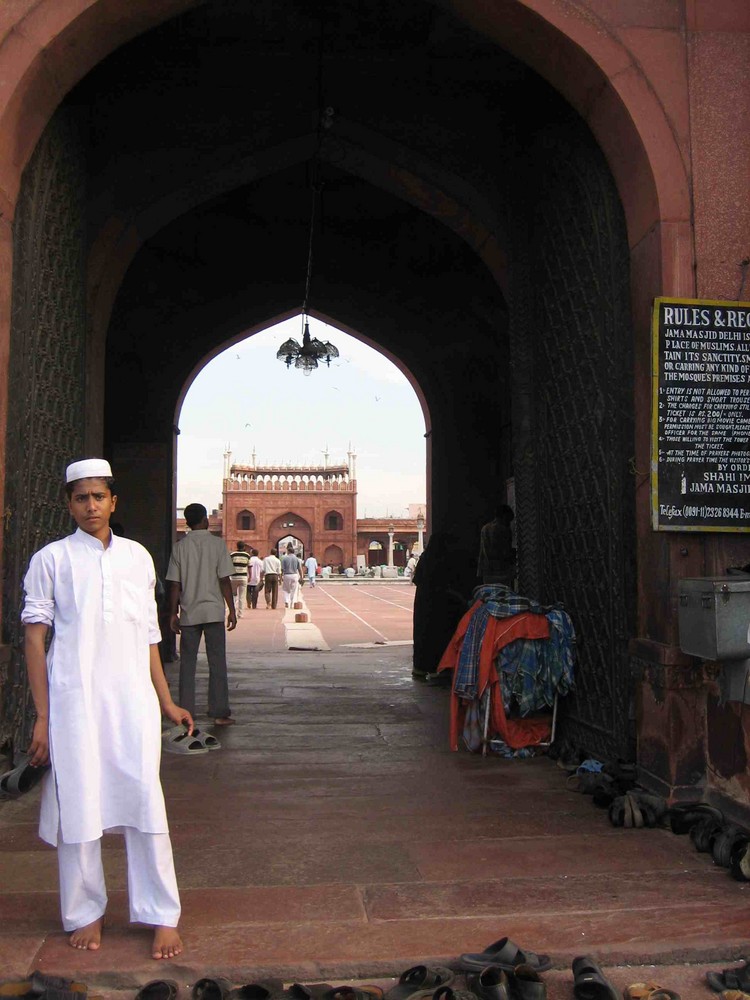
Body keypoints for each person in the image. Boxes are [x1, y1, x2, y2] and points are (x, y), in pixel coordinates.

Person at [21, 458, 191, 960]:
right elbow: (35, 639)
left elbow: (149, 637)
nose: (90, 506)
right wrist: (44, 715)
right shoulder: (50, 560)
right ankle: (84, 910)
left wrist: (165, 700)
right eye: (80, 498)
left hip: (132, 701)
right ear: (69, 504)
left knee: (144, 799)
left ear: (113, 502)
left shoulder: (138, 558)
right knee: (80, 802)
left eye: (98, 497)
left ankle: (162, 913)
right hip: (74, 701)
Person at [166, 503, 236, 725]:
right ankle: (219, 713)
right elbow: (224, 580)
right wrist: (232, 610)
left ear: (187, 522)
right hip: (213, 612)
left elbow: (175, 584)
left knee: (188, 663)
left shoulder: (179, 547)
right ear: (205, 520)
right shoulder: (217, 545)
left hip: (189, 612)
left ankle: (186, 713)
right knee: (217, 662)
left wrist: (172, 613)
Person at [412, 531, 467, 680]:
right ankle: (439, 667)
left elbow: (417, 579)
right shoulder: (444, 559)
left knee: (423, 635)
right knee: (439, 635)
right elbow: (447, 583)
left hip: (424, 603)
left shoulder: (425, 557)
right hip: (440, 604)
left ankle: (420, 668)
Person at [477, 503, 516, 586]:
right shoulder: (503, 529)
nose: (509, 523)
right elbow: (505, 552)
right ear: (504, 516)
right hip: (501, 572)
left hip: (487, 572)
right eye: (508, 519)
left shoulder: (485, 528)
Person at [229, 540, 251, 618]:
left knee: (233, 595)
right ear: (244, 547)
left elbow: (229, 566)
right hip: (243, 577)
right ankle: (240, 614)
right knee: (242, 596)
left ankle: (233, 612)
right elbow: (249, 567)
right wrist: (250, 576)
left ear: (237, 546)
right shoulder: (247, 555)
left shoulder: (232, 555)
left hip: (233, 577)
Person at [281, 543, 303, 608]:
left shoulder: (285, 558)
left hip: (287, 575)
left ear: (288, 551)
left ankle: (287, 601)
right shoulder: (297, 559)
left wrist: (281, 576)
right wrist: (301, 577)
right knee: (293, 590)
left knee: (286, 589)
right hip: (294, 575)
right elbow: (299, 569)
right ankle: (292, 602)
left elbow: (282, 569)